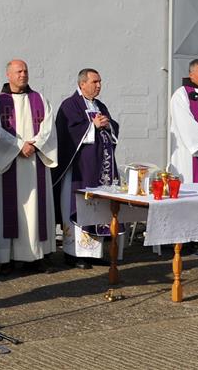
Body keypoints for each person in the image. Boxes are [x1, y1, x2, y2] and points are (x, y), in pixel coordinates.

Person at [0, 59, 58, 274]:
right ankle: (6, 258)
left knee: (36, 210)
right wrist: (18, 146)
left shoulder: (40, 100)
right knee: (8, 209)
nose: (23, 75)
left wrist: (34, 145)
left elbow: (48, 128)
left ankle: (35, 257)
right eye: (18, 71)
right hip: (9, 165)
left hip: (35, 163)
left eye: (26, 71)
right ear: (8, 75)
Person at [52, 68, 124, 269]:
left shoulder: (99, 105)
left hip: (99, 168)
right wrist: (92, 125)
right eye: (95, 82)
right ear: (82, 83)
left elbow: (112, 128)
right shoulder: (70, 105)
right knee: (77, 207)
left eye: (100, 82)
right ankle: (74, 254)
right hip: (79, 170)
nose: (99, 85)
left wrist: (108, 125)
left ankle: (93, 254)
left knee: (97, 209)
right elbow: (67, 133)